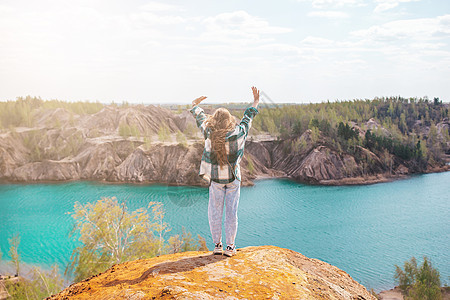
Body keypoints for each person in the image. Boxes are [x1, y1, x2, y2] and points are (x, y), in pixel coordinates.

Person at [190, 87, 260, 257]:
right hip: (233, 179)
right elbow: (247, 118)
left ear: (214, 120)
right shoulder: (238, 133)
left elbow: (199, 117)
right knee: (231, 213)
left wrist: (195, 104)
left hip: (216, 181)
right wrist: (256, 101)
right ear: (229, 120)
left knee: (214, 212)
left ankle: (217, 245)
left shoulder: (209, 133)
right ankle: (230, 247)